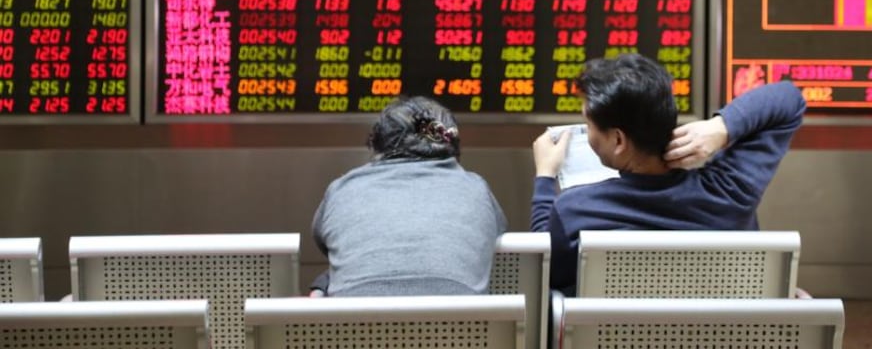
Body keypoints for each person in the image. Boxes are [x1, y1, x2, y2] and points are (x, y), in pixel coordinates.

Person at [530, 53, 806, 295]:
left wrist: (544, 176)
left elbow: (542, 272)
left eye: (588, 125)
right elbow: (789, 99)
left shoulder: (577, 210)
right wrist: (722, 127)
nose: (587, 133)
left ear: (618, 140)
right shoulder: (729, 192)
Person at [312, 95, 507, 296]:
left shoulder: (342, 189)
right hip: (462, 317)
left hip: (355, 316)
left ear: (377, 143)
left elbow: (327, 246)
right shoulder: (476, 189)